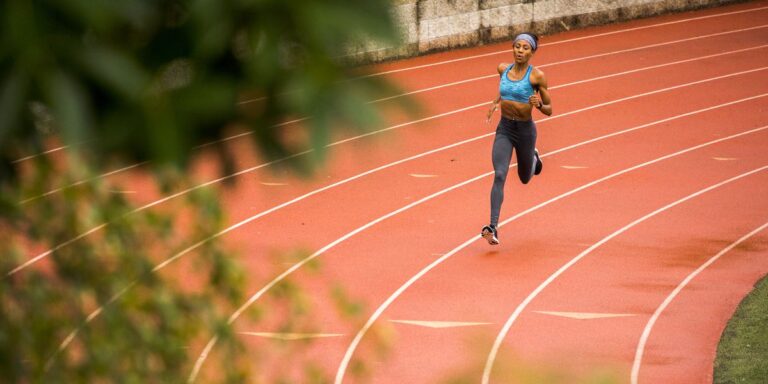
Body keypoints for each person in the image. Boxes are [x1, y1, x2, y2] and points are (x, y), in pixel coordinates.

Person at [481, 32, 552, 245]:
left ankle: (534, 160)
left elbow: (549, 109)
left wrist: (539, 104)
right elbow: (505, 90)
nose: (520, 51)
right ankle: (492, 227)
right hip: (505, 128)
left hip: (525, 131)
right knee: (500, 174)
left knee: (524, 177)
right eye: (517, 46)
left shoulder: (537, 77)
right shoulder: (503, 69)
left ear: (532, 52)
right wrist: (495, 102)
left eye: (525, 48)